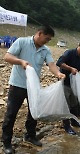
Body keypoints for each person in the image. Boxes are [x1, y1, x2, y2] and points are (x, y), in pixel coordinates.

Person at [2, 25, 66, 154]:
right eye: (46, 38)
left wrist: (58, 74)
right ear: (39, 33)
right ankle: (7, 142)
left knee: (34, 113)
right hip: (18, 85)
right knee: (11, 114)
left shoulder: (45, 50)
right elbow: (7, 57)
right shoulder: (22, 41)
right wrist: (21, 62)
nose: (47, 41)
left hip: (34, 86)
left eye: (49, 40)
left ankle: (30, 135)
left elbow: (51, 65)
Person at [56, 39, 80, 135]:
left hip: (74, 84)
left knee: (74, 104)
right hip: (64, 82)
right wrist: (70, 69)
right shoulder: (69, 53)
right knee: (66, 105)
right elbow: (59, 63)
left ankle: (74, 121)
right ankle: (67, 126)